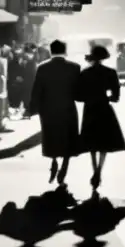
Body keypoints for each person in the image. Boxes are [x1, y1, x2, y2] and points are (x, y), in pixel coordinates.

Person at [29, 39, 83, 186]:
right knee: (68, 138)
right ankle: (64, 165)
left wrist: (32, 109)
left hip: (48, 109)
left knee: (51, 136)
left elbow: (36, 91)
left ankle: (53, 161)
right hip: (67, 108)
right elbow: (79, 93)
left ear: (51, 51)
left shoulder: (42, 68)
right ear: (65, 51)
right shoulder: (74, 68)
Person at [77, 44, 125, 192]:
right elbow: (116, 96)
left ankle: (94, 170)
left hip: (90, 108)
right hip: (104, 108)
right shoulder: (110, 72)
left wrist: (88, 97)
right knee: (104, 142)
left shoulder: (85, 73)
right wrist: (108, 97)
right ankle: (99, 169)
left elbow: (78, 95)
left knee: (92, 143)